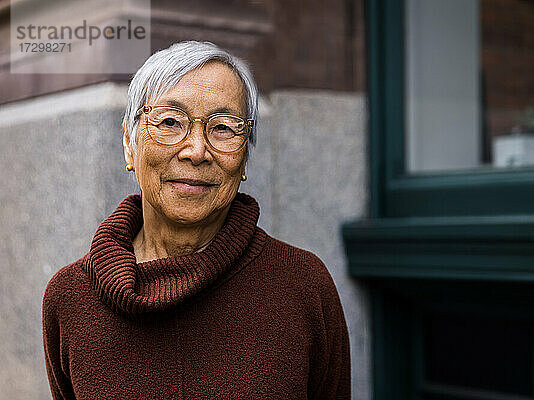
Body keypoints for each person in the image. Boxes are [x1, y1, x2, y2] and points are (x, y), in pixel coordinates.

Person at [41, 41, 351, 399]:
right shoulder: (70, 298)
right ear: (129, 143)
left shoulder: (303, 285)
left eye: (223, 128)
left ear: (245, 157)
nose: (196, 151)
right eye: (170, 121)